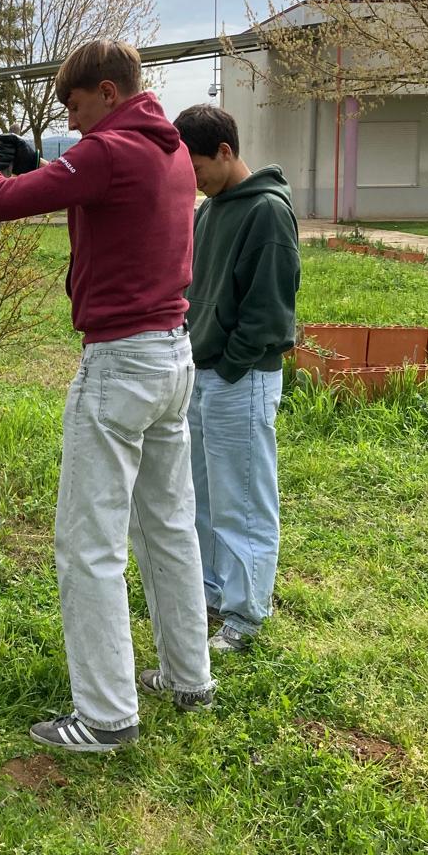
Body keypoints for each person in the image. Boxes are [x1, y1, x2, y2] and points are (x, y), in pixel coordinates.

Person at [0, 39, 214, 753]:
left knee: (89, 542)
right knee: (169, 527)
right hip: (172, 356)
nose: (71, 118)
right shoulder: (170, 150)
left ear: (108, 92)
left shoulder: (108, 150)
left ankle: (105, 716)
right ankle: (189, 677)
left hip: (119, 364)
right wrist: (44, 167)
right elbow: (116, 210)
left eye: (75, 103)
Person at [172, 104, 301, 652]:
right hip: (201, 373)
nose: (194, 180)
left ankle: (245, 617)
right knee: (200, 496)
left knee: (243, 501)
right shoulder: (209, 211)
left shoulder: (267, 211)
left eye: (197, 168)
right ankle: (210, 595)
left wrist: (228, 366)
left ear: (225, 152)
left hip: (241, 378)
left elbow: (270, 312)